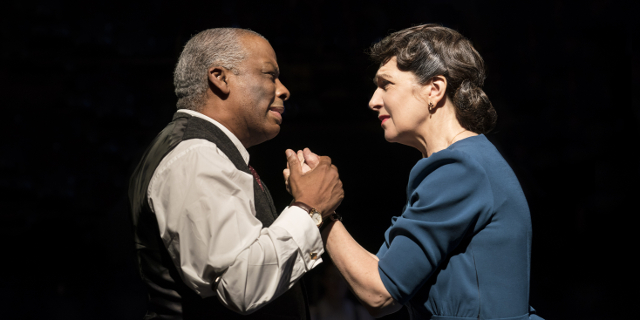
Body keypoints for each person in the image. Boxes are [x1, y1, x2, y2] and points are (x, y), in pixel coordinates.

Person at [286, 24, 543, 320]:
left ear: (434, 89)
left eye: (386, 85)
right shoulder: (465, 162)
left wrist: (317, 209)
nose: (373, 101)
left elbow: (380, 294)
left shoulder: (460, 169)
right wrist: (319, 210)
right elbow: (384, 276)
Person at [128, 28, 343, 320]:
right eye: (270, 75)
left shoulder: (200, 151)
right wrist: (309, 208)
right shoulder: (195, 155)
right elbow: (241, 285)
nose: (283, 89)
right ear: (220, 77)